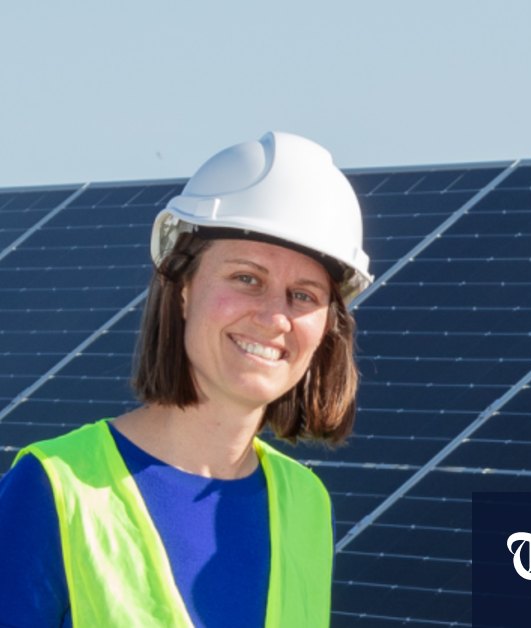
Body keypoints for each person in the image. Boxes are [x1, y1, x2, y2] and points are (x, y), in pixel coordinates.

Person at [0, 131, 372, 626]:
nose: (274, 316)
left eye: (303, 295)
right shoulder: (53, 489)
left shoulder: (306, 504)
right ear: (182, 289)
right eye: (247, 278)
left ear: (327, 326)